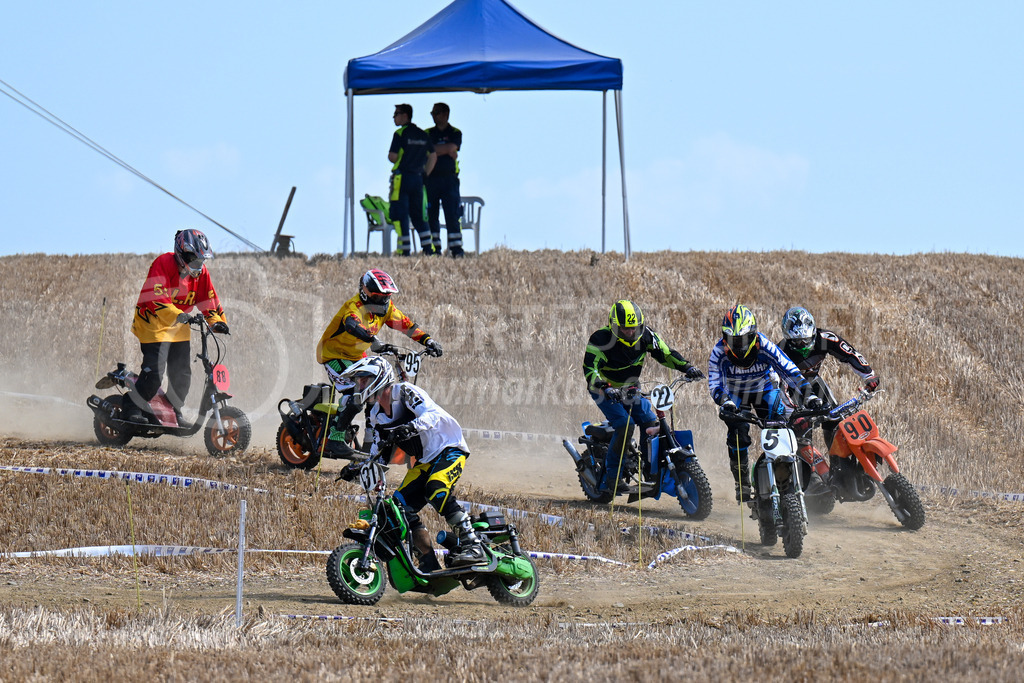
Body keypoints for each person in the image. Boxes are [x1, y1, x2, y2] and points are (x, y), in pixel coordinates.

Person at [338, 356, 484, 569]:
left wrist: (411, 427)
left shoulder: (405, 392)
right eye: (358, 381)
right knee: (397, 509)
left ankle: (474, 545)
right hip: (425, 460)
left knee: (437, 490)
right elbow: (379, 453)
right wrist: (358, 469)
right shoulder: (376, 414)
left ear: (378, 378)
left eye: (363, 380)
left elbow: (432, 414)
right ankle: (427, 563)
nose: (360, 386)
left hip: (448, 448)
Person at [315, 269, 442, 455]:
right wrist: (374, 341)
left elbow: (406, 325)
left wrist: (427, 340)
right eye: (376, 295)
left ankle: (370, 442)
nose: (381, 300)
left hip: (358, 357)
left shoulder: (387, 308)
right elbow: (352, 325)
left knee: (377, 396)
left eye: (385, 296)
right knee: (356, 394)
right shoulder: (354, 307)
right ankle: (334, 438)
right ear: (364, 291)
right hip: (334, 354)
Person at [582, 300, 705, 493]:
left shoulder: (646, 335)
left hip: (630, 388)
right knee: (625, 424)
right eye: (625, 329)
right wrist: (605, 388)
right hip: (603, 390)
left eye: (634, 328)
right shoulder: (600, 340)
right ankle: (613, 478)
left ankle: (648, 470)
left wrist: (687, 367)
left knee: (649, 421)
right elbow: (591, 370)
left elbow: (666, 354)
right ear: (614, 326)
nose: (631, 332)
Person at [708, 304, 820, 502]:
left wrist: (808, 395)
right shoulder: (718, 352)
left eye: (743, 340)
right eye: (734, 340)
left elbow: (789, 370)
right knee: (737, 433)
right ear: (725, 338)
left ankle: (789, 476)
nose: (739, 346)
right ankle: (741, 483)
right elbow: (715, 383)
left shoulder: (766, 346)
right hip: (735, 395)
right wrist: (724, 401)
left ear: (753, 336)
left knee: (783, 426)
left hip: (765, 390)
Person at [128, 229, 228, 424]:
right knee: (154, 375)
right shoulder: (162, 263)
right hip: (153, 323)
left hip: (179, 325)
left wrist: (217, 323)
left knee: (182, 376)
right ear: (182, 254)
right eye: (194, 260)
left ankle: (173, 411)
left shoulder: (201, 274)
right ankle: (132, 407)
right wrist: (180, 315)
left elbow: (209, 300)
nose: (198, 265)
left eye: (201, 261)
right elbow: (157, 299)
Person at [778, 306, 879, 450]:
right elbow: (778, 385)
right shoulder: (780, 351)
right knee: (801, 430)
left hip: (814, 382)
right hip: (791, 388)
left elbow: (850, 354)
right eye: (798, 342)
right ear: (788, 338)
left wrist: (869, 375)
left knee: (835, 420)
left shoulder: (826, 338)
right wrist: (791, 413)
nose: (803, 346)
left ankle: (838, 466)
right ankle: (808, 470)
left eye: (806, 340)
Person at [388, 103, 436, 256]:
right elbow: (433, 156)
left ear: (405, 115)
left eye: (396, 114)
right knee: (419, 215)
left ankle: (404, 250)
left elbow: (392, 156)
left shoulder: (400, 134)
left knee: (400, 213)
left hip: (402, 179)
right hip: (418, 180)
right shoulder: (423, 135)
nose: (394, 117)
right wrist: (425, 174)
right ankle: (428, 248)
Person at [424, 102, 464, 258]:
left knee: (452, 215)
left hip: (449, 180)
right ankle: (435, 250)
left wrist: (440, 150)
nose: (434, 116)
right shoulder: (427, 133)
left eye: (437, 113)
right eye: (432, 113)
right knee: (431, 215)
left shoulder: (455, 132)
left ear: (446, 114)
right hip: (431, 180)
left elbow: (452, 147)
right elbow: (429, 151)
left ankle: (456, 250)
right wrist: (446, 150)